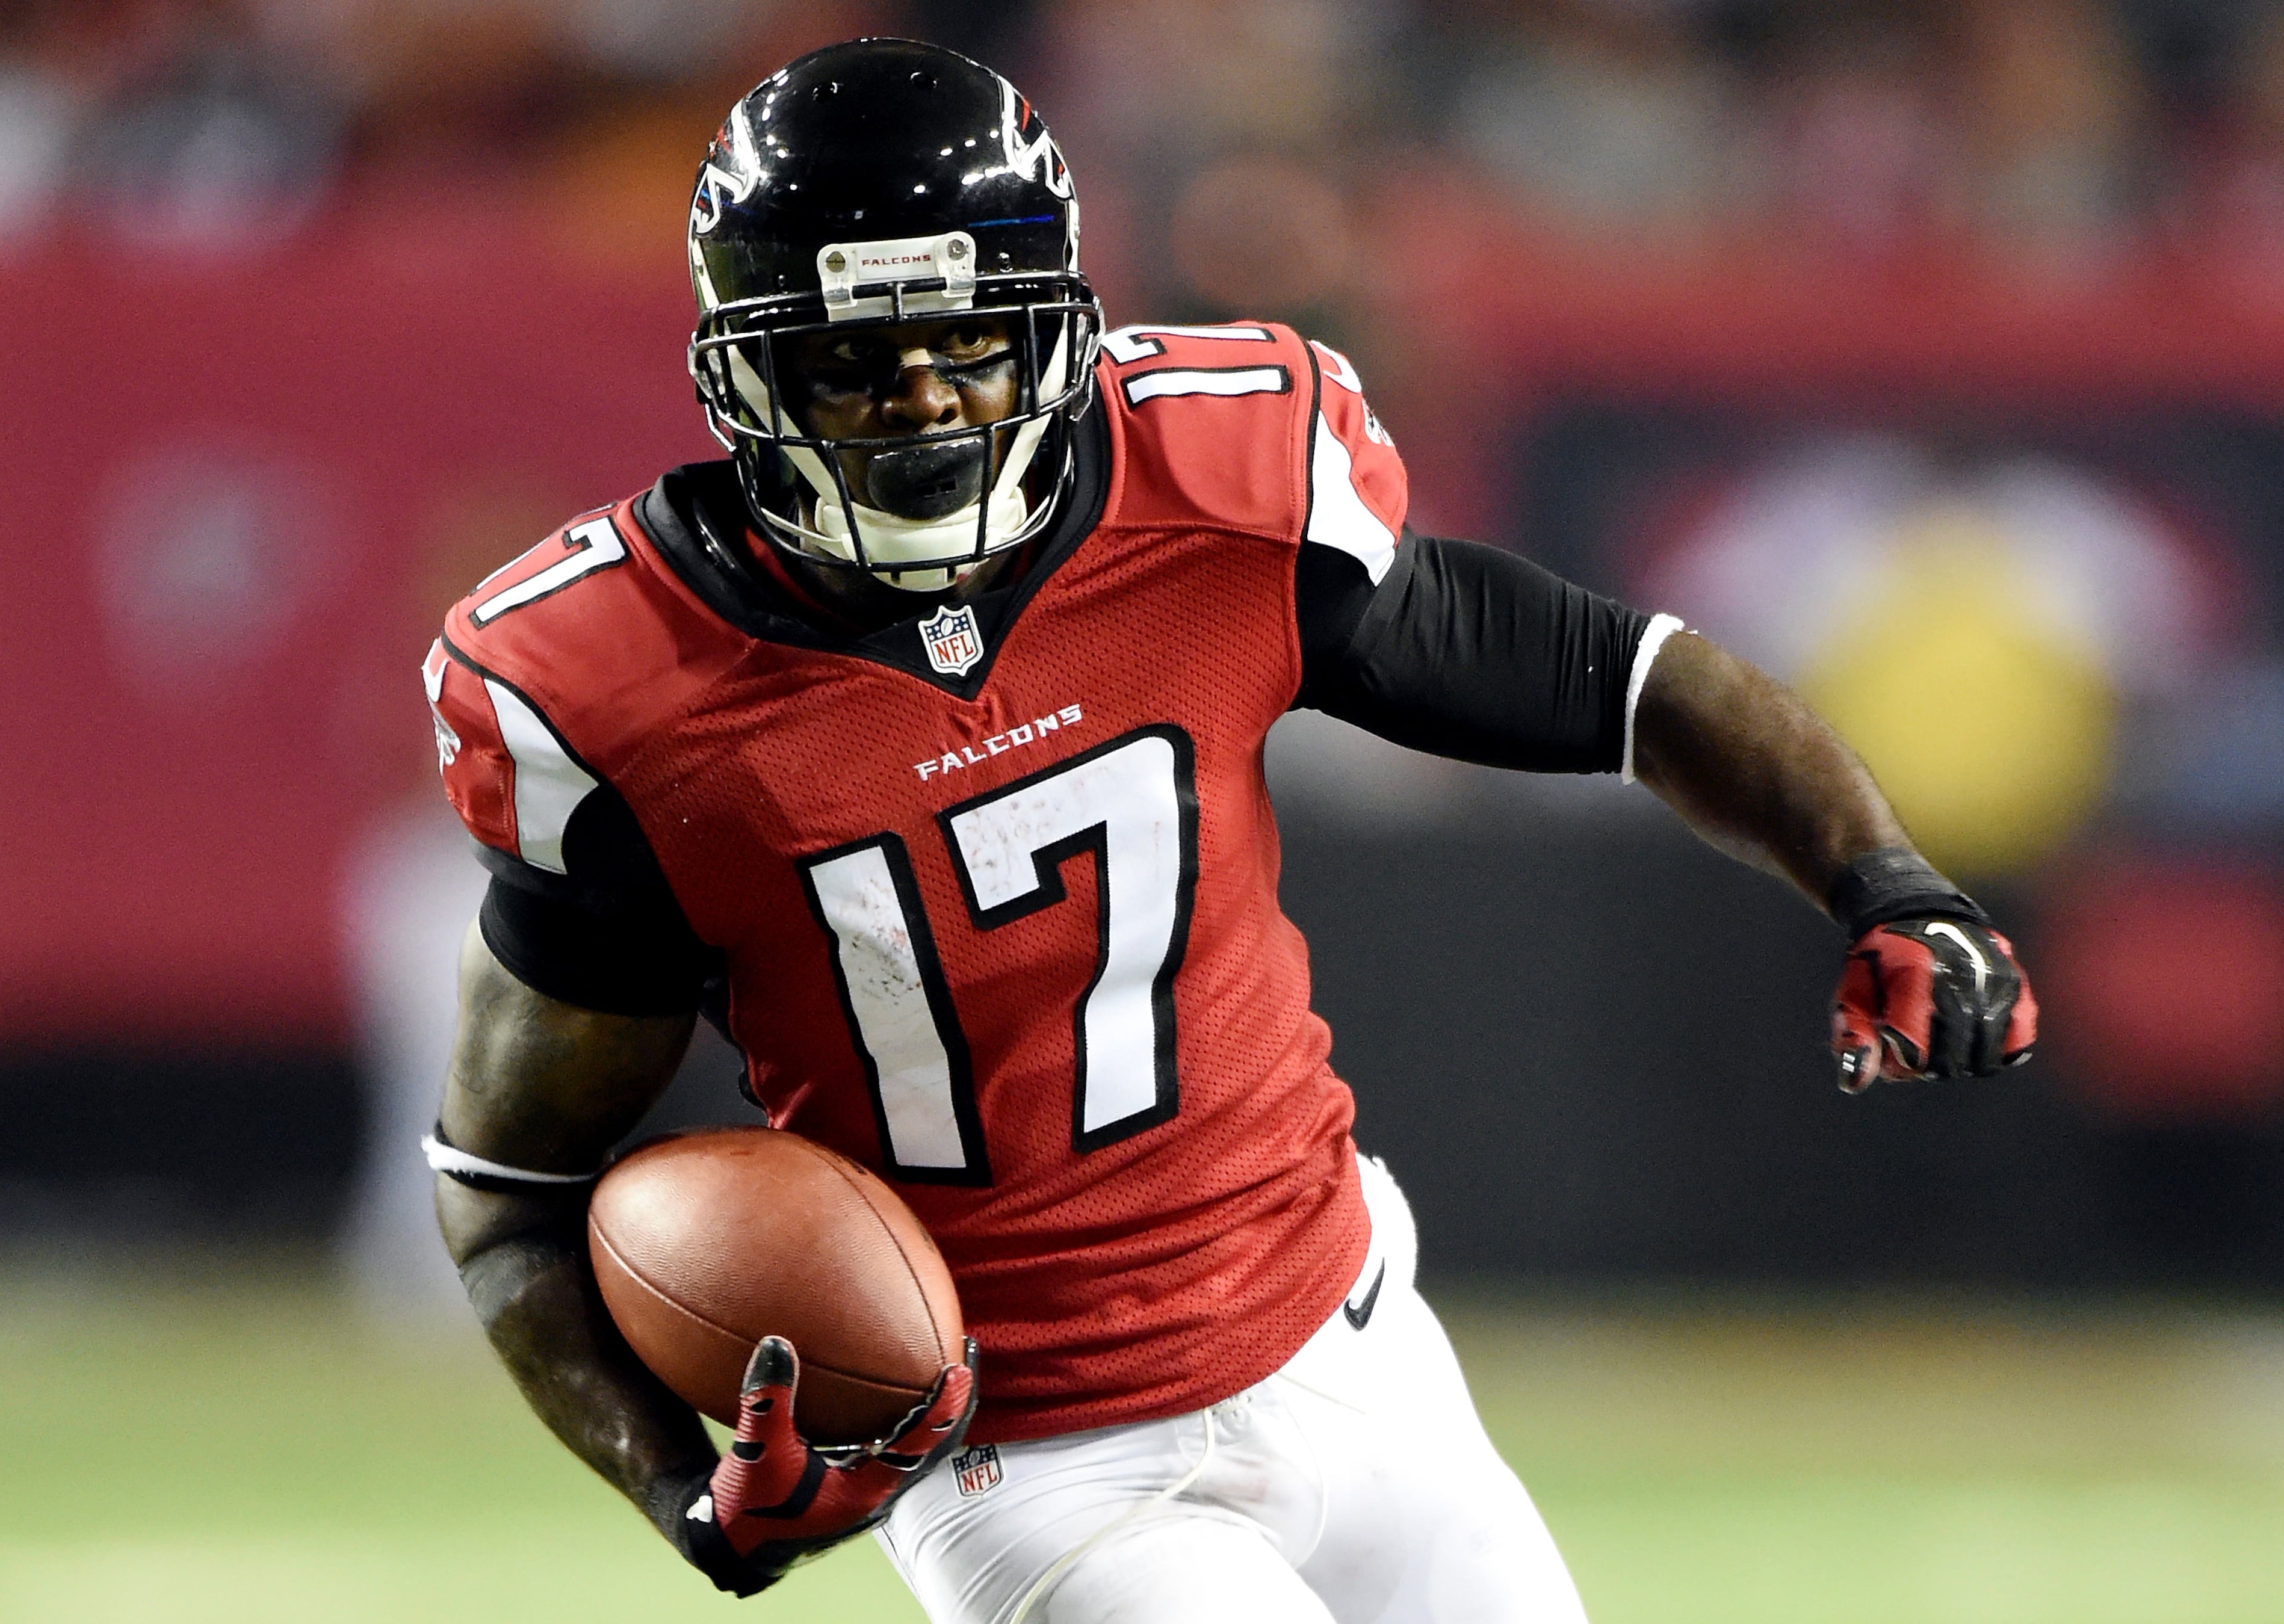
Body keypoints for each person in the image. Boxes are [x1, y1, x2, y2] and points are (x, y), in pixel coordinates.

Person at [421, 37, 2037, 1624]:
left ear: (1055, 324)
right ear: (742, 367)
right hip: (1030, 1464)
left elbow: (1621, 681)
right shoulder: (619, 693)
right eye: (850, 361)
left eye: (969, 343)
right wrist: (679, 1488)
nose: (919, 405)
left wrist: (1881, 872)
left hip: (1353, 1338)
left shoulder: (1215, 485)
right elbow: (504, 1178)